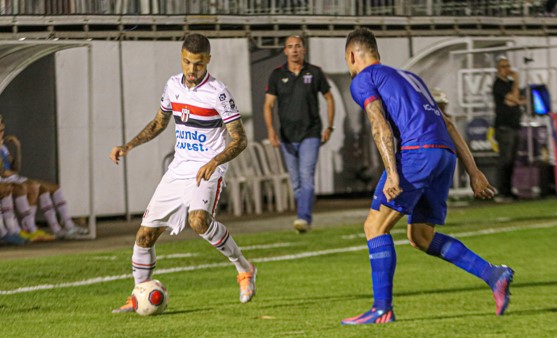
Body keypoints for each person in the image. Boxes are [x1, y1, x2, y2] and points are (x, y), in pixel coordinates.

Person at [340, 28, 514, 325]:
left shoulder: (364, 79)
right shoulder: (410, 78)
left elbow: (378, 124)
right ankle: (493, 274)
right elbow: (446, 122)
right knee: (421, 236)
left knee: (374, 227)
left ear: (352, 55)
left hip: (416, 153)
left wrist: (393, 173)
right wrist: (473, 171)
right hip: (443, 155)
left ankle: (382, 309)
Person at [110, 33, 256, 313]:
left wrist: (215, 161)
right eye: (187, 62)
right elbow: (158, 123)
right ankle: (138, 295)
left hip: (207, 168)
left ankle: (244, 269)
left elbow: (240, 140)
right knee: (144, 236)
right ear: (181, 57)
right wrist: (128, 145)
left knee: (199, 221)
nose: (192, 69)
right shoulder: (172, 86)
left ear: (208, 61)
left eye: (198, 64)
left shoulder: (218, 92)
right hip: (179, 169)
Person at [263, 34, 335, 233]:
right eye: (290, 47)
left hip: (311, 133)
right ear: (285, 51)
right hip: (287, 135)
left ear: (304, 49)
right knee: (296, 182)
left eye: (298, 46)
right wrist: (271, 131)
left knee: (307, 176)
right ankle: (303, 217)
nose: (294, 50)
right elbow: (268, 105)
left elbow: (329, 98)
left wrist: (329, 126)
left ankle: (303, 217)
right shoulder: (277, 75)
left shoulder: (315, 72)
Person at [0, 115, 86, 239]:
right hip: (5, 180)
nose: (2, 134)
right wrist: (12, 174)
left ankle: (66, 226)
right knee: (30, 187)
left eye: (2, 130)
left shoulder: (3, 148)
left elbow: (16, 168)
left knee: (51, 188)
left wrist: (18, 147)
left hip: (11, 178)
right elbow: (2, 172)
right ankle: (25, 228)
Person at [492, 56, 525, 202]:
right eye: (504, 66)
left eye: (508, 66)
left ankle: (509, 190)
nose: (508, 69)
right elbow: (513, 100)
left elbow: (520, 99)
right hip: (504, 127)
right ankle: (501, 191)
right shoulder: (498, 85)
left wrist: (516, 96)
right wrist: (517, 81)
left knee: (511, 160)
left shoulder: (510, 84)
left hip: (514, 125)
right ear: (498, 69)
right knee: (505, 160)